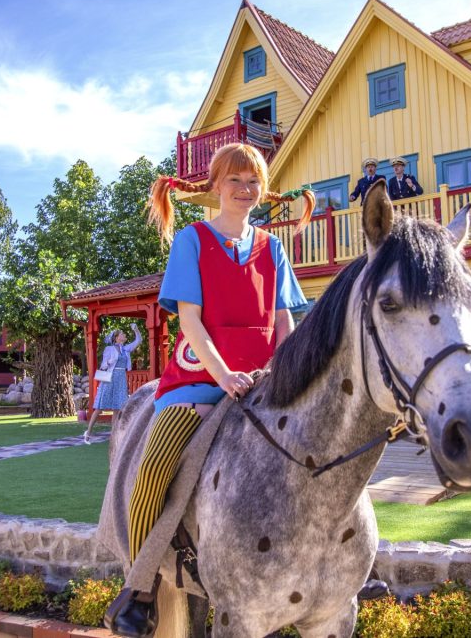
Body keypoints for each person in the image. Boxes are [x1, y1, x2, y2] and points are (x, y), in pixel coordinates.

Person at [107, 143, 313, 637]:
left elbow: (283, 320)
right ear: (215, 186)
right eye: (235, 180)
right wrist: (223, 376)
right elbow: (191, 322)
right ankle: (139, 588)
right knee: (154, 468)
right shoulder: (192, 240)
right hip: (200, 378)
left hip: (263, 379)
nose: (245, 189)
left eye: (253, 181)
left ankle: (336, 567)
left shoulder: (273, 247)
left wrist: (283, 369)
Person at [84, 323, 143, 444]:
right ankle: (88, 432)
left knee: (117, 408)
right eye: (122, 334)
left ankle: (113, 436)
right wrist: (111, 361)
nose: (124, 335)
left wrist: (136, 330)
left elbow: (139, 340)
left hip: (121, 379)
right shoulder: (109, 349)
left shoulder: (125, 349)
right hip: (110, 378)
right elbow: (103, 366)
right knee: (100, 407)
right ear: (117, 337)